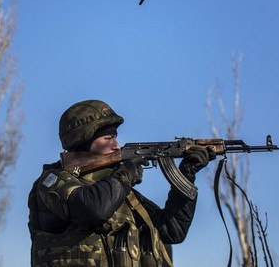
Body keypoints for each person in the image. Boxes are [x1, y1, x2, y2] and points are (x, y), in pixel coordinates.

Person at [28, 99, 215, 267]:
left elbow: (172, 230)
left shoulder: (116, 190)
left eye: (115, 137)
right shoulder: (51, 182)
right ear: (83, 142)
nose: (116, 145)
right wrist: (125, 176)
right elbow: (92, 208)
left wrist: (186, 175)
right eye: (108, 138)